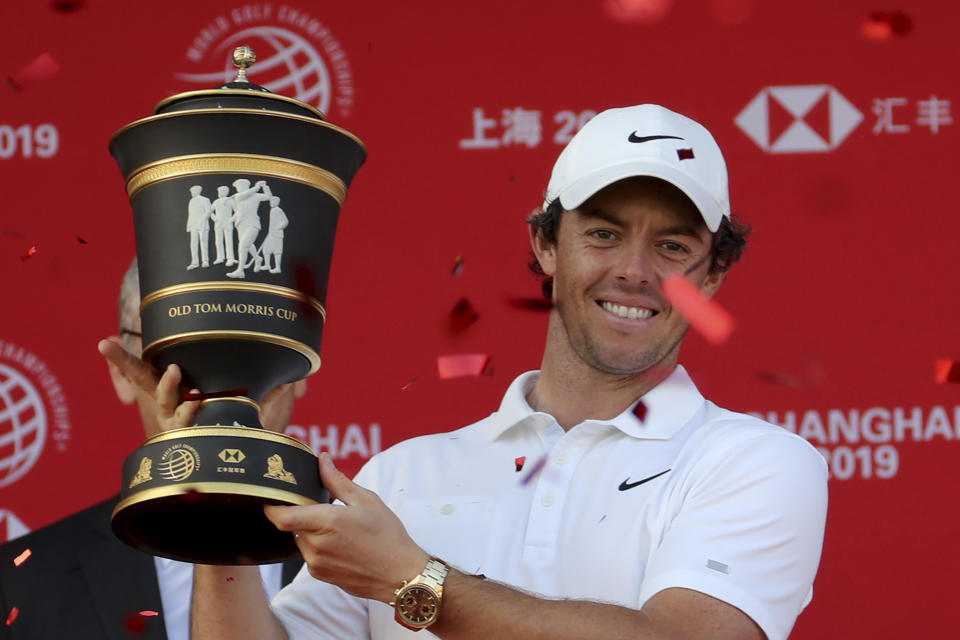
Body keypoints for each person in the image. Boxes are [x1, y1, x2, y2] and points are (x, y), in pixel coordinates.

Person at [102, 104, 828, 640]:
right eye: (603, 234)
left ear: (714, 275)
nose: (633, 272)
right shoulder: (401, 479)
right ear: (547, 246)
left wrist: (413, 581)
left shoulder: (755, 464)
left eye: (673, 247)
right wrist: (216, 501)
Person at [0, 260, 306, 640]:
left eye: (250, 341)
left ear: (302, 366)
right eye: (184, 345)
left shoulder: (374, 560)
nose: (222, 379)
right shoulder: (19, 582)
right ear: (121, 372)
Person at [186, 185, 213, 270]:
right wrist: (189, 225)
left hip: (202, 224)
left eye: (192, 191)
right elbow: (190, 214)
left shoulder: (205, 199)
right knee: (193, 243)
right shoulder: (191, 201)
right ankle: (194, 262)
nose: (192, 193)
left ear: (197, 191)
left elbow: (209, 211)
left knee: (203, 241)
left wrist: (203, 220)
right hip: (193, 224)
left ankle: (205, 260)